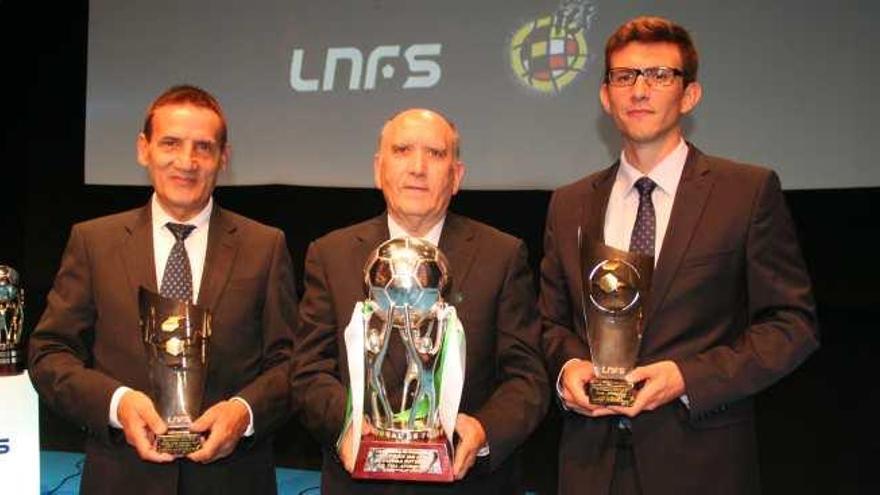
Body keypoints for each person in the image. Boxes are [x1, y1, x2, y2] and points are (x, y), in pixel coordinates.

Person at [539, 16, 819, 494]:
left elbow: (791, 325)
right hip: (590, 467)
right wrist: (569, 370)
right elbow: (548, 324)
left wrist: (685, 377)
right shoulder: (570, 204)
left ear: (690, 95)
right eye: (625, 76)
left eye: (659, 75)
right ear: (606, 97)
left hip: (701, 465)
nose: (640, 90)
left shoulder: (745, 192)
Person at [28, 85, 297, 494]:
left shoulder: (266, 246)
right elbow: (50, 354)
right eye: (170, 143)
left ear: (223, 158)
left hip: (232, 479)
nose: (185, 162)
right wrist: (117, 404)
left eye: (203, 148)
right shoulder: (93, 242)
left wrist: (243, 412)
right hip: (120, 478)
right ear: (144, 149)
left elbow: (291, 362)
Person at [290, 108, 549, 494]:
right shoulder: (331, 254)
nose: (417, 167)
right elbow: (308, 372)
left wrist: (483, 429)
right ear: (379, 170)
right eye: (402, 150)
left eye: (435, 153)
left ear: (456, 176)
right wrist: (348, 425)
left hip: (469, 485)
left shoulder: (503, 255)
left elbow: (527, 378)